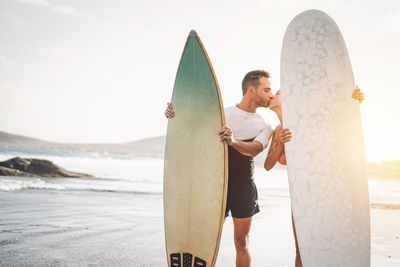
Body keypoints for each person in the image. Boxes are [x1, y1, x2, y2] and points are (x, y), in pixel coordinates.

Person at [165, 70, 292, 267]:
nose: (270, 94)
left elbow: (256, 149)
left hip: (243, 187)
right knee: (206, 241)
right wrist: (173, 114)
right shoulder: (223, 114)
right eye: (266, 89)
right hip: (216, 186)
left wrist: (233, 142)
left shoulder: (265, 124)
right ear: (251, 90)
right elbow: (192, 125)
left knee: (241, 242)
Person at [264, 88, 364, 267]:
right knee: (301, 249)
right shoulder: (278, 130)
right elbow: (268, 165)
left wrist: (354, 103)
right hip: (298, 197)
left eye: (277, 92)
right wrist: (281, 144)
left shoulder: (306, 122)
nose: (271, 95)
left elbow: (337, 126)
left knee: (324, 248)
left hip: (321, 195)